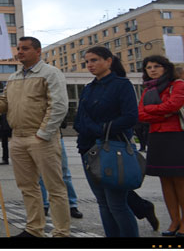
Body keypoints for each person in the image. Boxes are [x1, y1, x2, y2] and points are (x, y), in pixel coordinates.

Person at [0, 36, 70, 238]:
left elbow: (59, 106)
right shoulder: (13, 77)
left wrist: (43, 134)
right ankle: (34, 229)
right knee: (28, 187)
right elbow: (4, 104)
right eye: (18, 48)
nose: (20, 52)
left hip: (41, 138)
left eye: (25, 48)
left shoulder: (51, 74)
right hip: (17, 137)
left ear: (38, 51)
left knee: (55, 188)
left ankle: (61, 232)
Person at [73, 47, 141, 236]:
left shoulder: (122, 85)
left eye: (94, 60)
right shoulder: (88, 88)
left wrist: (102, 129)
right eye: (87, 61)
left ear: (109, 61)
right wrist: (88, 129)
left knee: (117, 204)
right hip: (88, 149)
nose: (90, 65)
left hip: (113, 149)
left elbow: (130, 117)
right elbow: (80, 118)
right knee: (103, 203)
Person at [138, 55, 184, 237]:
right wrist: (163, 113)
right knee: (165, 180)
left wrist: (154, 111)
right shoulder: (147, 89)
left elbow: (174, 104)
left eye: (156, 66)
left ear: (165, 68)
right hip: (156, 136)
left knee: (180, 179)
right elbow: (141, 115)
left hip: (176, 135)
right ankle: (174, 221)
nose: (152, 70)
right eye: (148, 67)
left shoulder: (178, 85)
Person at [39, 135, 83, 219]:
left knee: (64, 172)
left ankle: (71, 204)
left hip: (56, 136)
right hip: (37, 136)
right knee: (40, 173)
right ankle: (43, 204)